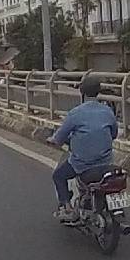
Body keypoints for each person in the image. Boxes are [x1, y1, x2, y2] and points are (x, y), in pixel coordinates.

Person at [47, 74, 117, 222]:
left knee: (58, 176)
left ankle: (67, 208)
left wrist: (52, 139)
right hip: (106, 162)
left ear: (82, 92)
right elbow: (114, 134)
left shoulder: (75, 113)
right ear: (98, 92)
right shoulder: (108, 111)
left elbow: (59, 138)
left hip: (82, 164)